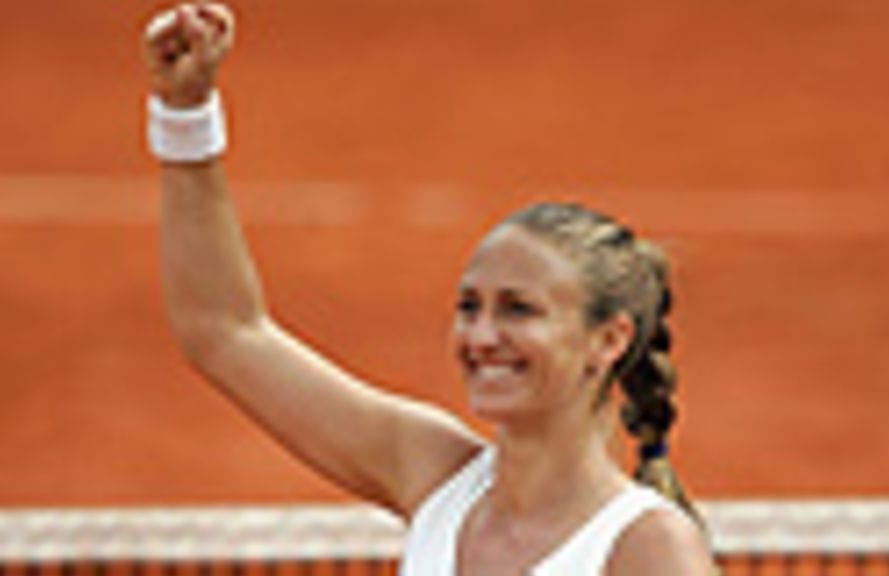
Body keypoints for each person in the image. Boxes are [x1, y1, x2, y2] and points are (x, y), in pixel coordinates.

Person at [142, 3, 716, 574]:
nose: (482, 336)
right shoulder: (433, 473)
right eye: (469, 306)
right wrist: (185, 116)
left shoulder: (650, 550)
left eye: (519, 310)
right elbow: (223, 331)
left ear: (609, 339)